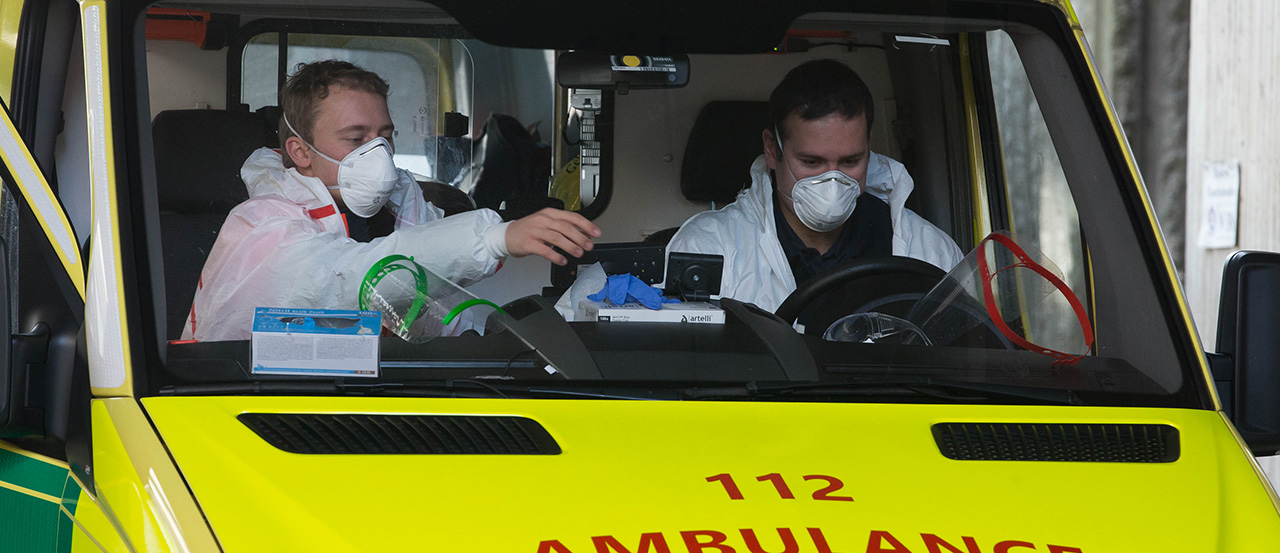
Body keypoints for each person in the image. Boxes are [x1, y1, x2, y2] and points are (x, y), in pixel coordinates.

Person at [183, 60, 599, 341]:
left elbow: (441, 298)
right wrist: (491, 239)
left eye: (385, 135)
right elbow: (342, 280)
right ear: (301, 152)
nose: (378, 152)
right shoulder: (260, 223)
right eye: (356, 138)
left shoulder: (402, 204)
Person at [666, 59, 963, 316]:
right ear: (772, 150)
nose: (833, 181)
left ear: (868, 147)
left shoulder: (928, 251)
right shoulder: (709, 249)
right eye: (811, 162)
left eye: (850, 161)